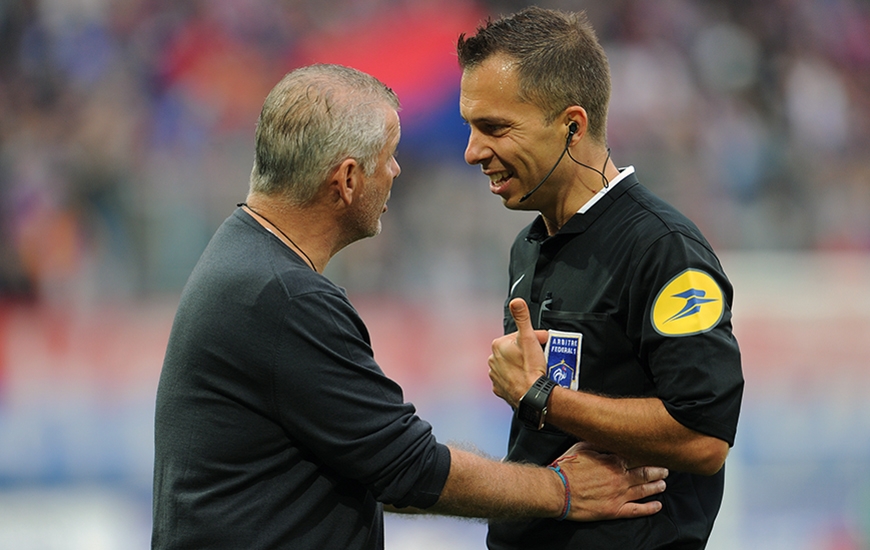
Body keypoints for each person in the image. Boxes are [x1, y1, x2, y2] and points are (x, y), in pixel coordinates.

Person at [151, 63, 669, 550]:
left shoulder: (242, 258)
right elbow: (407, 469)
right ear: (347, 179)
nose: (397, 171)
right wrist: (560, 489)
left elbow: (378, 465)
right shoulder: (285, 299)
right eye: (389, 157)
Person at [457, 7, 744, 550]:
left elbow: (705, 438)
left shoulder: (664, 249)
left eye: (494, 127)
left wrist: (543, 397)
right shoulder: (529, 246)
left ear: (572, 125)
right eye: (470, 126)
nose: (472, 152)